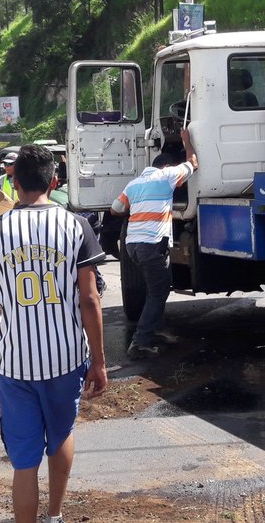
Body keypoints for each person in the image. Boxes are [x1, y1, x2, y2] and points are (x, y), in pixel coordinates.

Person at [0, 145, 108, 523]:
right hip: (66, 359)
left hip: (16, 364)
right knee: (61, 435)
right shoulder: (76, 226)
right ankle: (55, 515)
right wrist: (98, 361)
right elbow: (90, 299)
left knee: (24, 461)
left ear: (14, 182)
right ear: (54, 181)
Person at [110, 129, 198, 359]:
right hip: (151, 245)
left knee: (155, 288)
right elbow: (193, 163)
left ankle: (156, 330)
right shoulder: (167, 176)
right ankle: (140, 342)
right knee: (159, 291)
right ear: (166, 166)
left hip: (133, 245)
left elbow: (115, 209)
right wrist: (187, 141)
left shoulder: (133, 184)